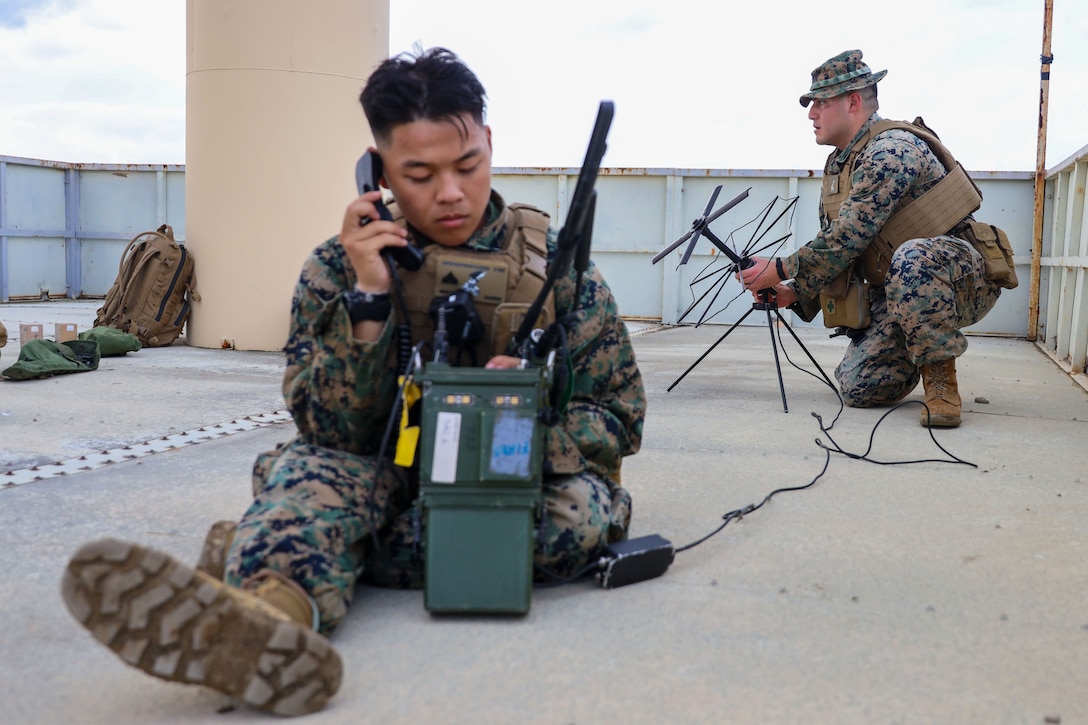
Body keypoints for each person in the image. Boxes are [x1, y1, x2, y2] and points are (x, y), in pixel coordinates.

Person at [61, 47, 646, 716]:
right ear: (377, 170)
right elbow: (327, 429)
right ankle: (268, 626)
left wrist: (523, 416)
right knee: (314, 473)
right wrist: (369, 304)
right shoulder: (339, 267)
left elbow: (619, 412)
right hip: (380, 464)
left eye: (467, 165)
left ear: (489, 143)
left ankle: (278, 549)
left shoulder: (555, 265)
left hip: (515, 476)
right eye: (419, 174)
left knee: (581, 519)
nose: (449, 193)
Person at [739, 49, 1005, 428]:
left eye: (820, 102)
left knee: (913, 258)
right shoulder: (842, 162)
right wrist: (792, 290)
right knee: (859, 387)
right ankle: (918, 341)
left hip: (959, 276)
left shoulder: (891, 150)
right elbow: (841, 245)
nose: (811, 113)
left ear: (852, 101)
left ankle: (941, 385)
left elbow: (849, 236)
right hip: (902, 289)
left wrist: (779, 267)